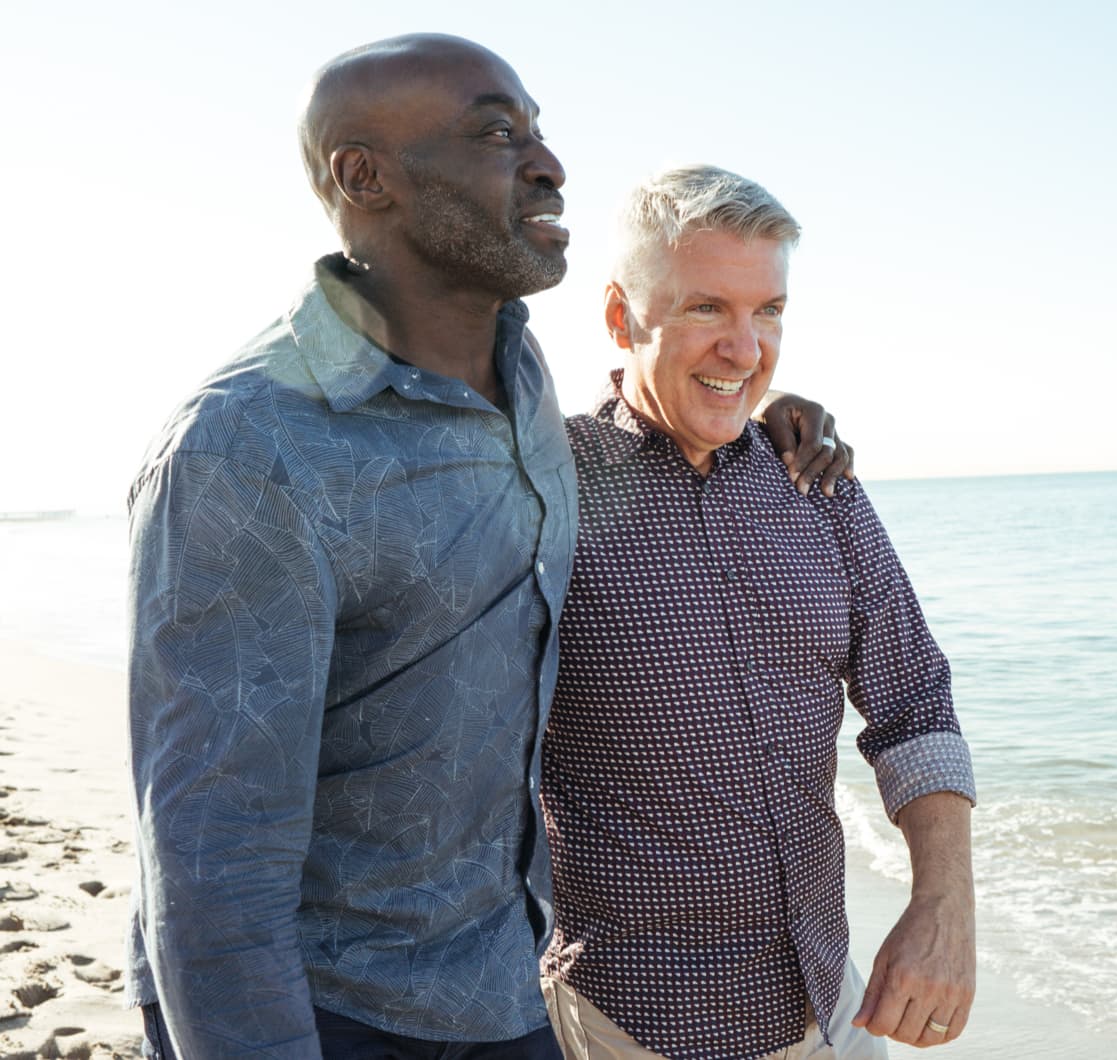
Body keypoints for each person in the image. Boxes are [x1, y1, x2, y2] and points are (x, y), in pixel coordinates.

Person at [125, 37, 846, 1059]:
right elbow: (211, 865)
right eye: (497, 133)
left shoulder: (524, 387)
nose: (548, 163)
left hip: (507, 988)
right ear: (363, 176)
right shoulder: (249, 448)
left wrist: (772, 415)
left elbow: (655, 422)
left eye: (540, 130)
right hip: (326, 1013)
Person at [539, 166, 977, 1060]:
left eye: (767, 311)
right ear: (623, 318)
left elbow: (914, 704)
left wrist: (943, 907)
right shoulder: (545, 490)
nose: (745, 349)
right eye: (707, 309)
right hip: (628, 1023)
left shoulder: (816, 485)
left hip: (829, 1005)